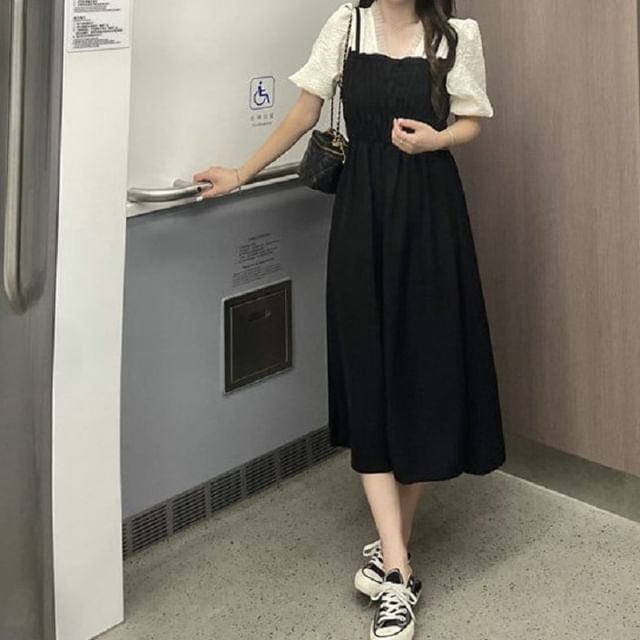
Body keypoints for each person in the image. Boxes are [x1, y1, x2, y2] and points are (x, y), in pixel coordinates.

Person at [194, 1, 506, 638]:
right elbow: (304, 112)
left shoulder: (456, 36)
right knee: (367, 372)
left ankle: (393, 555)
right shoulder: (346, 26)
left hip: (431, 216)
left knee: (428, 372)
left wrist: (437, 139)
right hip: (361, 218)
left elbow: (472, 121)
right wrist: (241, 173)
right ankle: (397, 570)